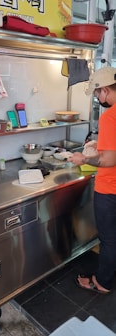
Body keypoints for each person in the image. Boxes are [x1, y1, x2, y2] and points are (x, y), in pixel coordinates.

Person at [68, 66, 116, 294]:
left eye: (97, 94)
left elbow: (108, 160)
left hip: (110, 190)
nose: (97, 98)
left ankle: (102, 282)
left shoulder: (110, 117)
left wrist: (82, 158)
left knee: (108, 239)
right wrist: (100, 146)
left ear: (105, 90)